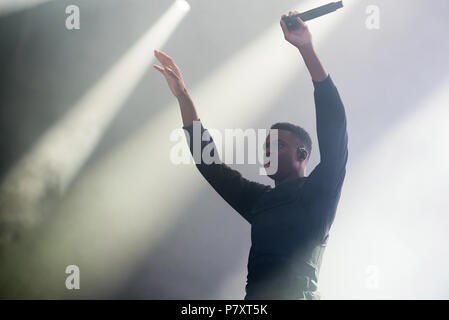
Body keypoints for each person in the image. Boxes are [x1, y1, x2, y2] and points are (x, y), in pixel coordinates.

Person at [153, 12, 348, 300]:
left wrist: (306, 49)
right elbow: (210, 165)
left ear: (302, 154)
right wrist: (183, 97)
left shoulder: (320, 191)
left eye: (277, 145)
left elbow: (335, 126)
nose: (267, 151)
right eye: (265, 147)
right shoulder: (261, 201)